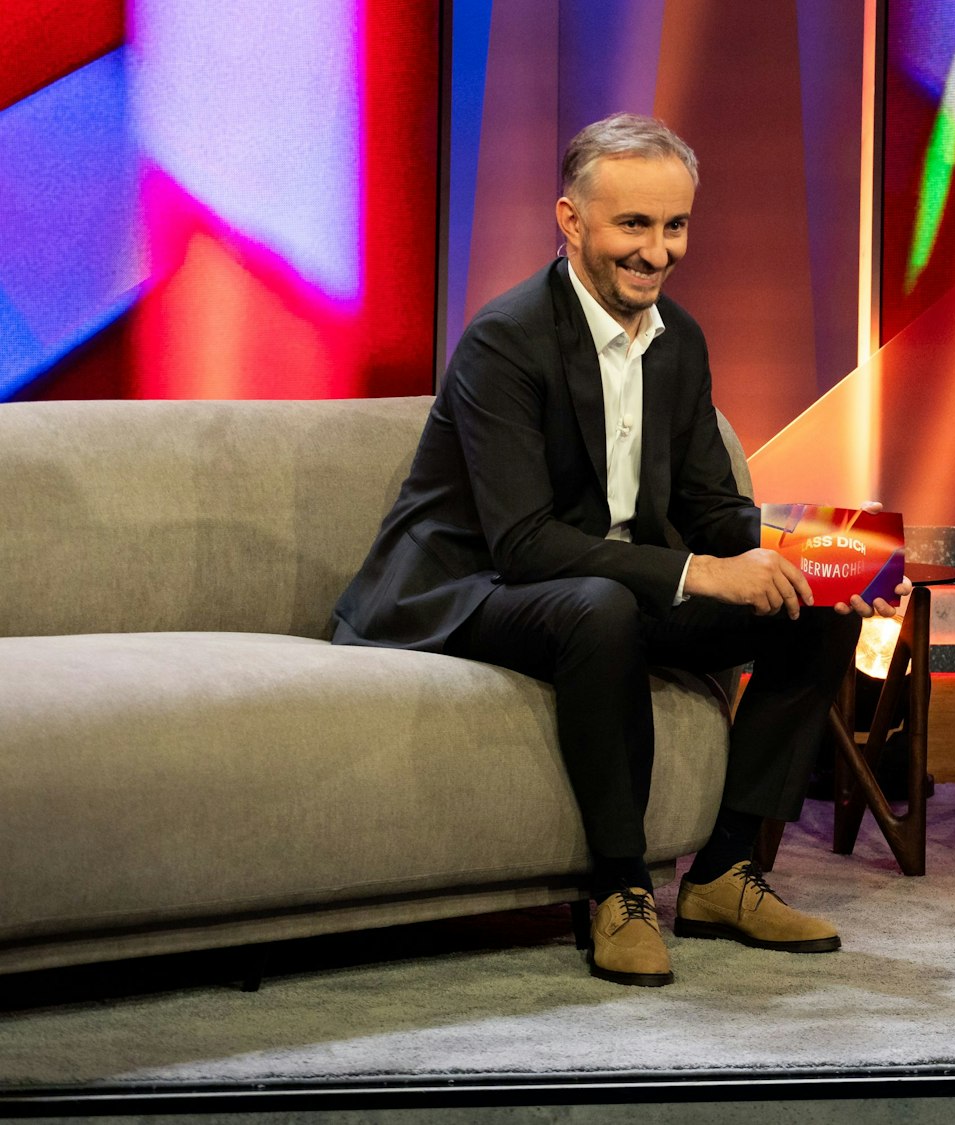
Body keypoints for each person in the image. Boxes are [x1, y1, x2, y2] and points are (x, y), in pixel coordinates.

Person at [331, 113, 906, 987]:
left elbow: (714, 509)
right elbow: (523, 544)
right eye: (633, 225)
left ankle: (723, 871)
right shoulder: (505, 340)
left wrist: (828, 558)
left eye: (674, 226)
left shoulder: (680, 341)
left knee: (809, 613)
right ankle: (620, 888)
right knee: (599, 611)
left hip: (612, 585)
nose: (659, 251)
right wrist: (697, 573)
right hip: (470, 588)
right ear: (571, 222)